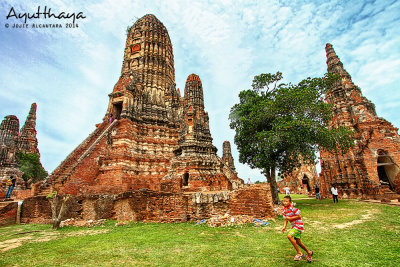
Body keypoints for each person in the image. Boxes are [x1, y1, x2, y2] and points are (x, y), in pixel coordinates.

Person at [281, 195, 313, 262]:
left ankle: (299, 253)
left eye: (286, 201)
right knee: (298, 242)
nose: (285, 202)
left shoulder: (292, 208)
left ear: (290, 202)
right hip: (294, 226)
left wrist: (290, 218)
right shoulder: (284, 210)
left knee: (289, 236)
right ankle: (309, 252)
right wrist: (284, 227)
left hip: (299, 226)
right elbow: (285, 219)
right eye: (284, 201)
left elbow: (299, 216)